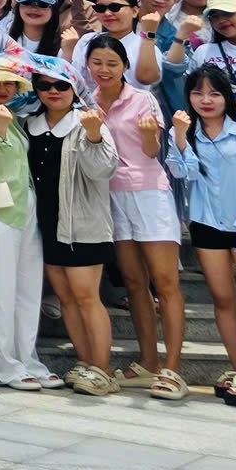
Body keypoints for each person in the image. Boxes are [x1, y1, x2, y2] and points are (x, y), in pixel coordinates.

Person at [166, 62, 236, 407]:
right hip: (206, 225)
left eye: (214, 93)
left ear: (226, 98)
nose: (206, 100)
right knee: (222, 300)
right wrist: (181, 136)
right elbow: (182, 172)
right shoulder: (185, 133)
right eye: (198, 93)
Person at [81, 32, 185, 397]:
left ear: (125, 66)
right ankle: (148, 362)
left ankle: (173, 368)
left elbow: (153, 151)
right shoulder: (86, 101)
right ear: (87, 65)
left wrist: (150, 135)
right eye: (97, 63)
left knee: (165, 282)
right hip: (109, 197)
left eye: (112, 63)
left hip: (149, 193)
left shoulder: (143, 99)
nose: (104, 69)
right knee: (134, 283)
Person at [23, 55, 118, 395]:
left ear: (74, 88)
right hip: (47, 224)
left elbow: (103, 171)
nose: (53, 91)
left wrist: (93, 136)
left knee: (86, 297)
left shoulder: (88, 122)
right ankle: (85, 362)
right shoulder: (29, 125)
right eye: (44, 85)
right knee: (65, 297)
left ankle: (102, 369)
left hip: (84, 226)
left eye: (61, 85)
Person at [0, 60, 57, 389]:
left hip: (23, 208)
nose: (2, 88)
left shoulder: (11, 115)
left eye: (9, 83)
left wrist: (5, 124)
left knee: (27, 290)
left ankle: (27, 359)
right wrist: (0, 129)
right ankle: (3, 366)